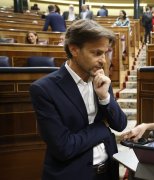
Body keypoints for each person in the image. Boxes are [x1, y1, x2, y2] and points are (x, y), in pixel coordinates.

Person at [30, 19, 127, 180]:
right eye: (96, 53)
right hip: (72, 174)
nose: (103, 60)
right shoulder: (44, 89)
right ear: (74, 49)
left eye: (105, 52)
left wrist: (105, 97)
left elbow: (120, 124)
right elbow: (64, 148)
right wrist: (102, 129)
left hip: (108, 171)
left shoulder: (100, 78)